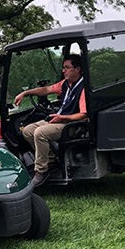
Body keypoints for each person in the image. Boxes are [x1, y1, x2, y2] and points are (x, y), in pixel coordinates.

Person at [14, 54, 87, 186]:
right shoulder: (66, 84)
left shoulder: (83, 88)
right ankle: (51, 160)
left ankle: (41, 170)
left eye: (67, 68)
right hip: (59, 119)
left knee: (40, 133)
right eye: (63, 67)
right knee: (28, 130)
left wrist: (63, 117)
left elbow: (83, 115)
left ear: (77, 69)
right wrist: (25, 93)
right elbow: (46, 90)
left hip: (72, 124)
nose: (63, 71)